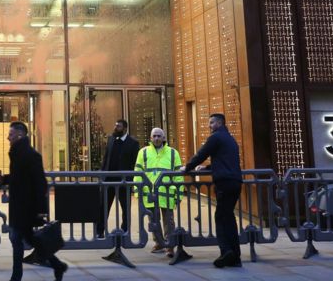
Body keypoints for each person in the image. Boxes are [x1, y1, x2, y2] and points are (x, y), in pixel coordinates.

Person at [0, 122, 67, 281]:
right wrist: (4, 179)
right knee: (29, 239)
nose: (8, 137)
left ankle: (16, 276)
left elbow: (41, 184)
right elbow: (18, 178)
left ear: (20, 136)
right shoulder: (18, 153)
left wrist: (41, 211)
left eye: (11, 135)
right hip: (19, 206)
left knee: (16, 239)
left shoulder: (31, 155)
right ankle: (57, 265)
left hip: (26, 208)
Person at [184, 113, 242, 268]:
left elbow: (201, 154)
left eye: (211, 122)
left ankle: (226, 252)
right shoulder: (230, 139)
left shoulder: (215, 138)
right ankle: (236, 257)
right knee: (229, 218)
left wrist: (187, 167)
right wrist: (208, 167)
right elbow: (226, 160)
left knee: (221, 218)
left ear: (220, 123)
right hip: (235, 181)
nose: (209, 125)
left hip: (224, 182)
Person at [132, 127, 182, 257]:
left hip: (167, 193)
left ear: (164, 138)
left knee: (169, 221)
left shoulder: (173, 153)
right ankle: (159, 242)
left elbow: (178, 175)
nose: (157, 138)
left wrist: (179, 193)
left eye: (159, 136)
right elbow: (138, 173)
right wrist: (138, 191)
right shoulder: (142, 153)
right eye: (154, 136)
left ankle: (170, 245)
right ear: (150, 138)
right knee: (153, 221)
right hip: (150, 193)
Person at [97, 119, 140, 236]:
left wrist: (131, 179)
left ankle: (125, 232)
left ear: (125, 129)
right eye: (115, 125)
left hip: (123, 181)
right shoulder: (111, 139)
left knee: (125, 209)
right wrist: (102, 173)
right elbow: (106, 158)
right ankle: (99, 231)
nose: (115, 128)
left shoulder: (133, 143)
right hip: (108, 180)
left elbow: (134, 163)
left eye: (119, 126)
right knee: (103, 207)